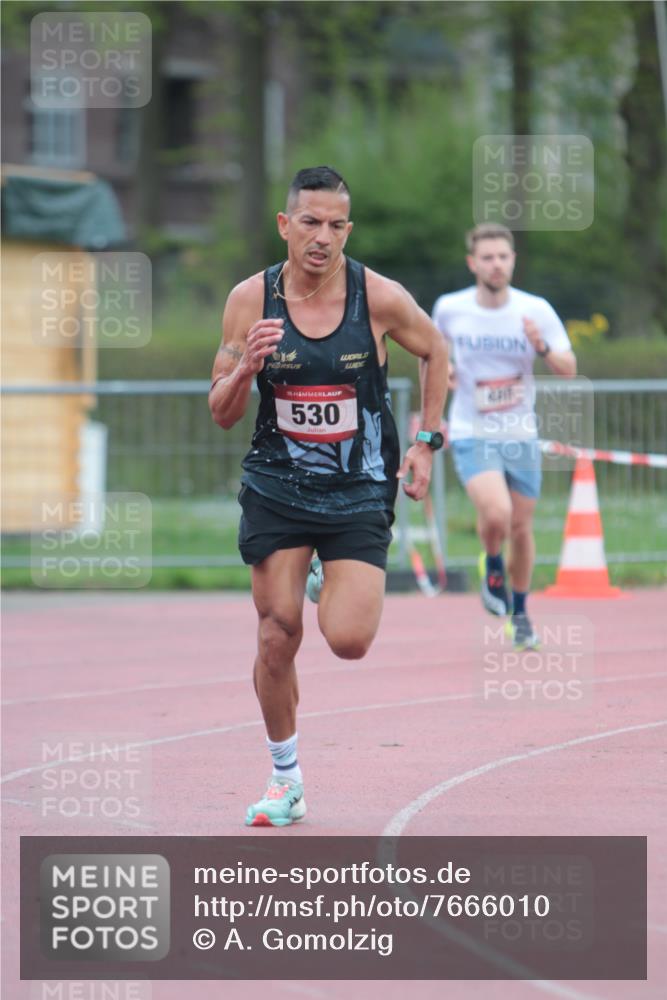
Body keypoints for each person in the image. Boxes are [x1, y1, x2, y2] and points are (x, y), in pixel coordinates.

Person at [209, 166, 448, 827]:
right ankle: (285, 780)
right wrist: (247, 369)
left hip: (357, 487)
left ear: (348, 229)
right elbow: (221, 411)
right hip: (277, 485)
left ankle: (327, 571)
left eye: (336, 224)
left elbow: (435, 349)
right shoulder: (248, 300)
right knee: (275, 633)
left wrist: (427, 440)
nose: (322, 237)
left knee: (346, 640)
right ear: (285, 225)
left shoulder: (378, 296)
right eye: (309, 222)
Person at [432, 222, 576, 649]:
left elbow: (568, 368)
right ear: (473, 263)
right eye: (488, 257)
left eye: (503, 257)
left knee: (522, 527)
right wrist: (446, 372)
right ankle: (492, 564)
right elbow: (431, 355)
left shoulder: (535, 310)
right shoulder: (450, 308)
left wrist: (543, 347)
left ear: (513, 260)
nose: (496, 264)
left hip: (520, 431)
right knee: (496, 514)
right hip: (471, 429)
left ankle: (521, 612)